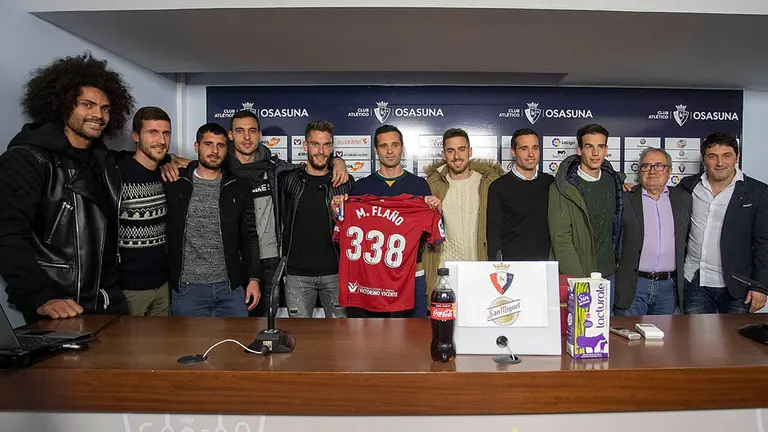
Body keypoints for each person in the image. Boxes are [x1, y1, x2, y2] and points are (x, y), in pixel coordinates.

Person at [163, 109, 349, 317]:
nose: (247, 137)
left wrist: (337, 161)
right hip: (232, 261)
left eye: (252, 130)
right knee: (236, 322)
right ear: (230, 135)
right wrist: (167, 160)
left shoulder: (276, 170)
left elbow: (314, 165)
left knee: (263, 323)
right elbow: (198, 164)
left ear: (260, 135)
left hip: (270, 260)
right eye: (240, 131)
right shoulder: (222, 170)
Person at [0, 52, 134, 321]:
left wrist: (168, 159)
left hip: (108, 299)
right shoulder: (28, 159)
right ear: (63, 106)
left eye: (105, 108)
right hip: (61, 305)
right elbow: (7, 234)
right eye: (87, 104)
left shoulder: (104, 161)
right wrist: (40, 297)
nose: (98, 114)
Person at [343, 124, 441, 318]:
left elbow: (433, 232)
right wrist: (338, 208)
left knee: (412, 339)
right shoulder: (362, 187)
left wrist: (436, 209)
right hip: (372, 278)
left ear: (402, 148)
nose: (389, 151)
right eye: (383, 146)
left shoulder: (419, 185)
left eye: (395, 145)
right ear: (375, 149)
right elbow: (347, 228)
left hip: (411, 275)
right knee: (374, 339)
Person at [164, 123, 261, 317]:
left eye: (221, 145)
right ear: (196, 146)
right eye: (208, 144)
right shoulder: (176, 183)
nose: (214, 150)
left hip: (230, 289)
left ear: (227, 149)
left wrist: (253, 279)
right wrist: (166, 161)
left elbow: (249, 236)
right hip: (187, 289)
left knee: (236, 344)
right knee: (192, 347)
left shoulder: (239, 187)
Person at [679, 133, 768, 314]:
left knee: (735, 341)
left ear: (737, 157)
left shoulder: (757, 192)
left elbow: (764, 243)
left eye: (726, 155)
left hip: (738, 287)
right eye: (713, 157)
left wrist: (761, 286)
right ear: (704, 159)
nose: (720, 163)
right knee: (696, 341)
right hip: (695, 282)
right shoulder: (688, 186)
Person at [279, 121, 354, 318]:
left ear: (332, 147)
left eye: (327, 145)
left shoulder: (345, 182)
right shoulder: (287, 179)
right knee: (300, 337)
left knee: (341, 337)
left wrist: (339, 161)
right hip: (297, 274)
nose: (321, 151)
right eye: (315, 144)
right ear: (305, 146)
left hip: (336, 273)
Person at [549, 124, 625, 310]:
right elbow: (561, 240)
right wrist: (581, 281)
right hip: (580, 275)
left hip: (608, 276)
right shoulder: (563, 188)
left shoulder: (613, 181)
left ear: (606, 149)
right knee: (579, 333)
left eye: (600, 147)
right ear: (579, 149)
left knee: (605, 332)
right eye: (589, 146)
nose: (595, 153)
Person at [423, 128, 502, 295]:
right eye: (450, 151)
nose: (457, 156)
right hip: (444, 275)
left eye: (462, 149)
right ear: (443, 154)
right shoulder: (431, 186)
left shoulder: (490, 184)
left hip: (480, 272)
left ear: (470, 151)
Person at [614, 148, 691, 315]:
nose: (652, 171)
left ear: (669, 171)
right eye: (646, 166)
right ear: (639, 171)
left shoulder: (683, 199)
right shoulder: (625, 197)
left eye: (659, 165)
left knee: (664, 339)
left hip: (668, 289)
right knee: (627, 338)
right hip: (633, 286)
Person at [115, 106, 173, 316]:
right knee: (129, 348)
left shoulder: (166, 175)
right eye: (153, 132)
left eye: (166, 133)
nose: (161, 140)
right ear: (135, 136)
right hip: (128, 288)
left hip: (163, 285)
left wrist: (169, 162)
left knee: (162, 347)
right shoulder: (117, 174)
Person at [486, 128, 554, 262]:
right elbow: (494, 232)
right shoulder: (498, 187)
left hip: (546, 263)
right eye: (524, 148)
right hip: (511, 265)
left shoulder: (550, 183)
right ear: (513, 151)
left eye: (535, 148)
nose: (531, 154)